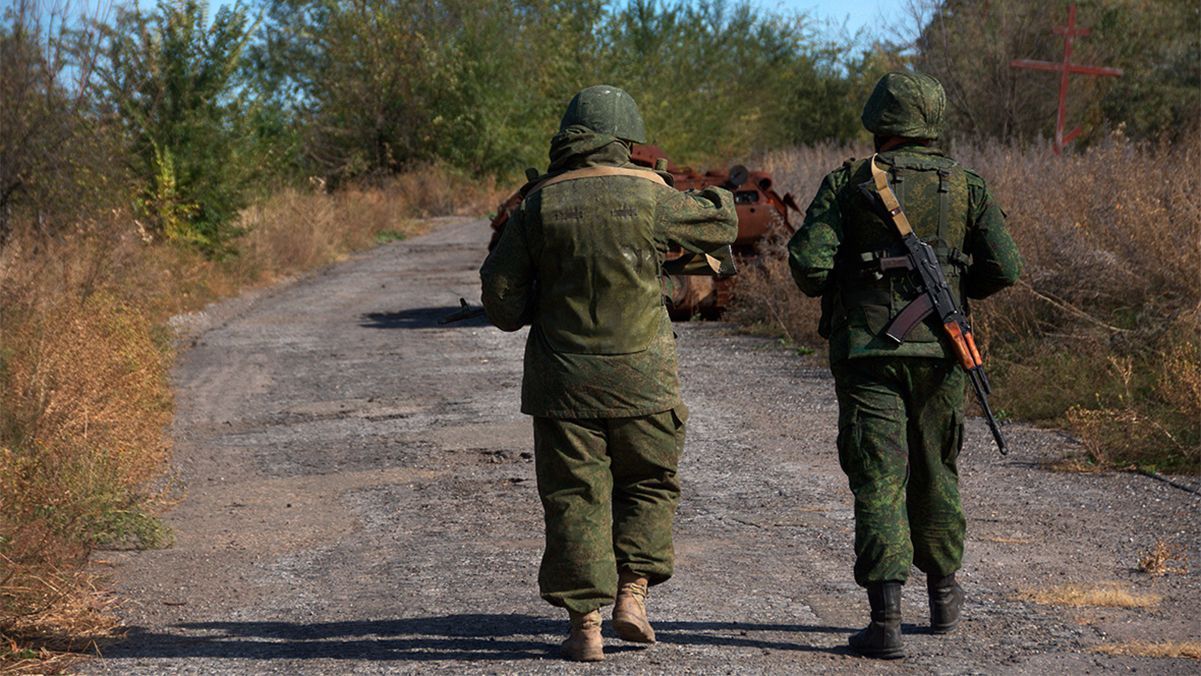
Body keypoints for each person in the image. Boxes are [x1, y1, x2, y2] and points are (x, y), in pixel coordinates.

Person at [480, 85, 738, 662]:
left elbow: (501, 302)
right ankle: (633, 596)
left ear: (569, 137)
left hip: (562, 383)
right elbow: (721, 225)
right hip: (644, 380)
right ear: (627, 138)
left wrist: (538, 305)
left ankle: (585, 629)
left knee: (574, 496)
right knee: (647, 484)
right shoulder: (652, 196)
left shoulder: (537, 205)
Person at [786, 72, 1022, 659]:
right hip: (943, 351)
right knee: (938, 469)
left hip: (869, 355)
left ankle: (886, 623)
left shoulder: (849, 182)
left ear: (879, 121)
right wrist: (954, 287)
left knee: (879, 476)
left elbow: (808, 268)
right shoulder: (967, 186)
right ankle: (943, 597)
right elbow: (1005, 268)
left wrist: (854, 275)